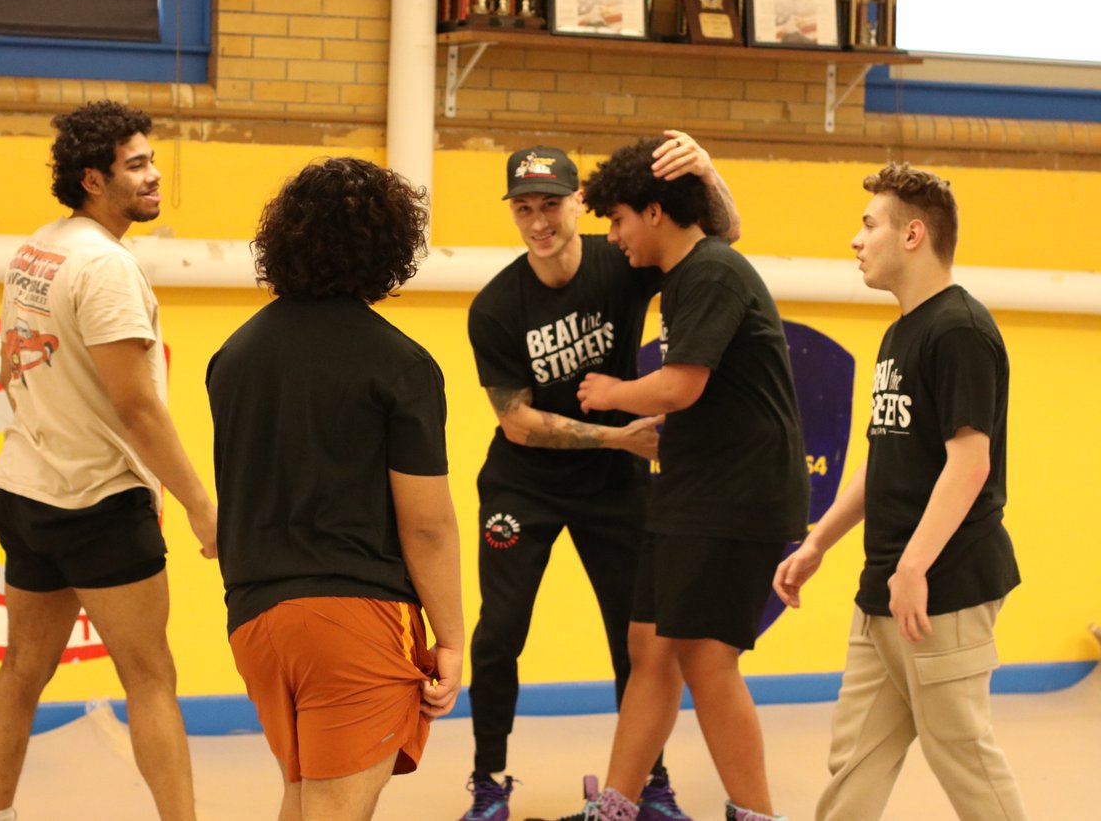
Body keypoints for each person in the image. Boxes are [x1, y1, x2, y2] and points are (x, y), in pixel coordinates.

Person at [462, 136, 741, 821]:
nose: (538, 221)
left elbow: (721, 238)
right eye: (523, 208)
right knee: (499, 632)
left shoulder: (621, 260)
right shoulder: (495, 306)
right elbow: (516, 421)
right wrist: (617, 433)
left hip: (614, 486)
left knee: (639, 636)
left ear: (577, 202)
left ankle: (649, 783)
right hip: (523, 483)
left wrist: (706, 171)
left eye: (550, 204)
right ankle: (488, 780)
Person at [552, 134, 809, 821]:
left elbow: (681, 385)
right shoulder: (685, 276)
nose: (614, 237)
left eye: (618, 220)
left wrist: (611, 392)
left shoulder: (712, 271)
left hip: (737, 495)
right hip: (692, 489)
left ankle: (757, 814)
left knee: (705, 657)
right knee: (649, 645)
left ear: (655, 211)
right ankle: (616, 804)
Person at [0, 101, 217, 821]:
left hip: (24, 491)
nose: (155, 175)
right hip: (97, 504)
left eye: (152, 160)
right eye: (136, 165)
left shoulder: (39, 247)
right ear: (93, 179)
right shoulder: (106, 267)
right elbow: (137, 408)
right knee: (150, 679)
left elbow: (9, 368)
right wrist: (201, 506)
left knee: (22, 668)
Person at [206, 157, 464, 821]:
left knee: (304, 797)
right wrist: (452, 638)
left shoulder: (233, 358)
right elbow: (427, 524)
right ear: (390, 248)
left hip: (256, 619)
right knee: (335, 807)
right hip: (353, 615)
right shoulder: (400, 364)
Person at [773, 163, 1027, 821]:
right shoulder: (900, 333)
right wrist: (819, 542)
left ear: (913, 234)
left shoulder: (960, 329)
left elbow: (969, 462)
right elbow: (884, 455)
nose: (856, 240)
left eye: (869, 225)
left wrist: (914, 567)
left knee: (963, 758)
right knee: (854, 761)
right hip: (885, 589)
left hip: (943, 586)